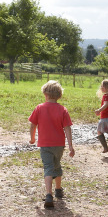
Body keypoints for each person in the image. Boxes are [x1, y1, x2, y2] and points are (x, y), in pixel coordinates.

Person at [29, 80, 75, 209]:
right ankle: (58, 189)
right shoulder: (62, 110)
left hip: (45, 144)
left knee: (48, 167)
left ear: (45, 94)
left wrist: (32, 138)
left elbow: (33, 125)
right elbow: (67, 128)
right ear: (59, 95)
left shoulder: (39, 108)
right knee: (56, 165)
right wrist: (70, 145)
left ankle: (49, 194)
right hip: (59, 144)